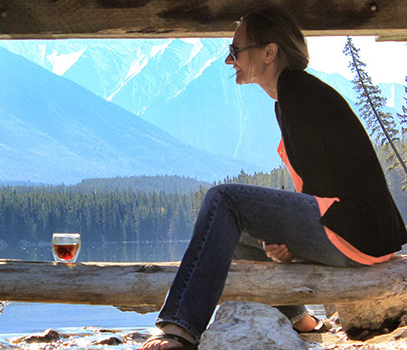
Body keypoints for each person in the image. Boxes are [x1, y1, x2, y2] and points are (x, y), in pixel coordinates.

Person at [138, 7, 407, 350]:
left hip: (354, 230)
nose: (228, 60)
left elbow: (319, 189)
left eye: (235, 51)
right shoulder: (292, 94)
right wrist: (285, 239)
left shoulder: (296, 88)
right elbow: (320, 182)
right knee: (230, 236)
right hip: (360, 232)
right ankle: (300, 319)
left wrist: (291, 242)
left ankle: (179, 328)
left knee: (224, 199)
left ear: (269, 52)